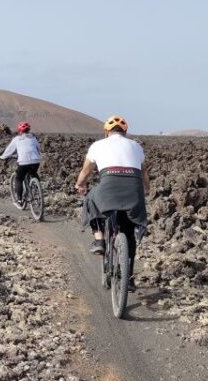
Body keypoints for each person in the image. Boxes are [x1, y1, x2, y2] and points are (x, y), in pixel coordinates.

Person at [74, 115, 150, 290]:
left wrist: (80, 185)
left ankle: (99, 240)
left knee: (91, 198)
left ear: (106, 132)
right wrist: (147, 189)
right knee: (129, 231)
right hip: (133, 189)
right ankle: (129, 279)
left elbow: (85, 172)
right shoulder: (136, 146)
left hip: (109, 185)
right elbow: (144, 173)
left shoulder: (98, 145)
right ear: (125, 132)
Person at [0, 121, 42, 207]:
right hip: (36, 161)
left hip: (23, 162)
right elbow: (38, 149)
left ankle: (19, 200)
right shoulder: (33, 138)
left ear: (19, 131)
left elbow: (9, 151)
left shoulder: (16, 139)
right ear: (28, 130)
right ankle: (38, 192)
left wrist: (3, 157)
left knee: (19, 179)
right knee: (33, 174)